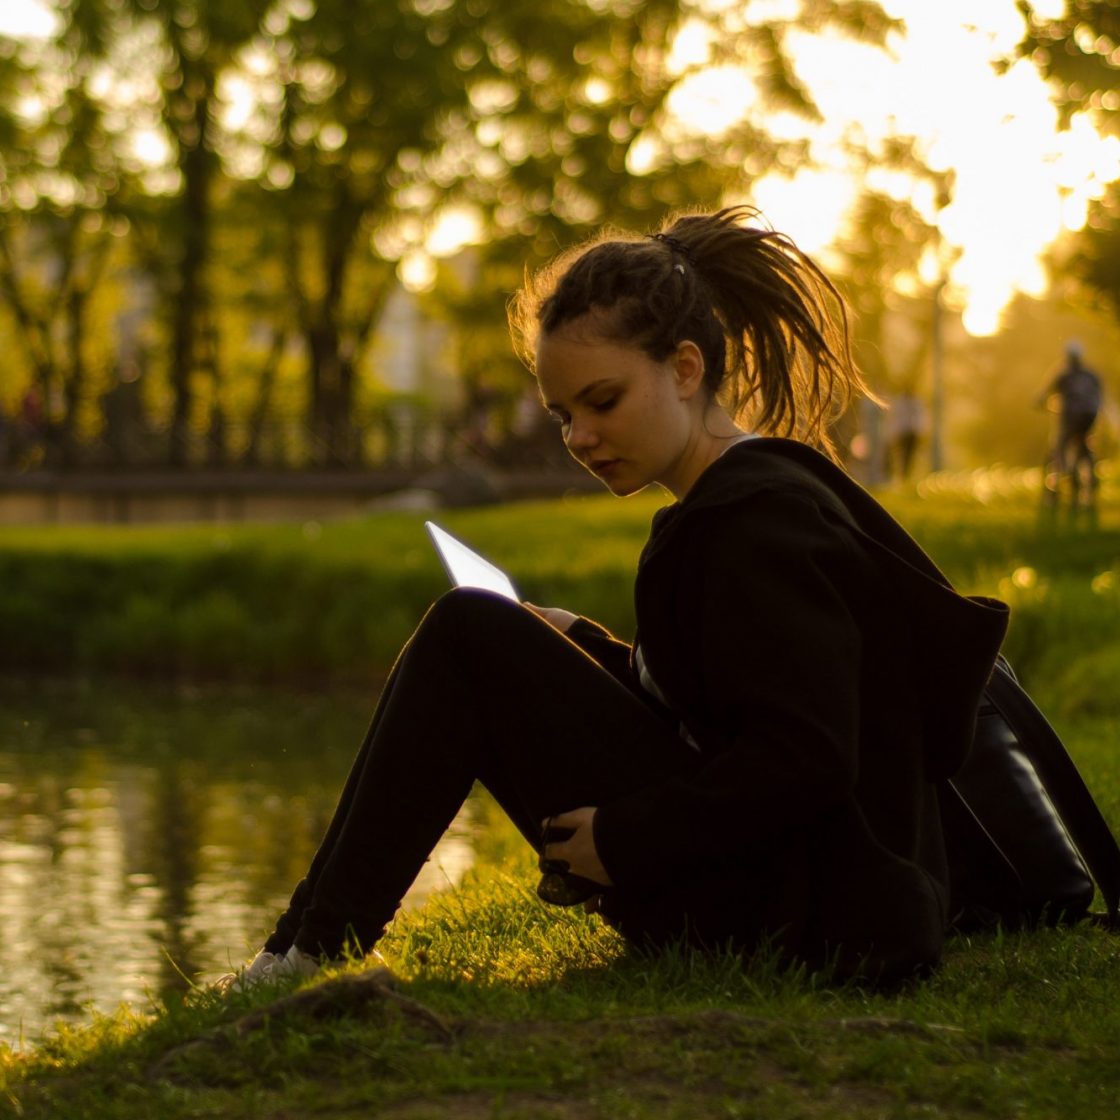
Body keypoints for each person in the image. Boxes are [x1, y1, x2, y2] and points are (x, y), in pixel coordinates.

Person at [218, 206, 1008, 992]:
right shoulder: (743, 497)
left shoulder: (755, 521)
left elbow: (810, 758)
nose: (580, 438)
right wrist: (589, 649)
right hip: (784, 889)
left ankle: (310, 948)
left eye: (603, 401)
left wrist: (627, 838)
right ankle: (303, 943)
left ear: (686, 369)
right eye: (564, 415)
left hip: (809, 919)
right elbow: (736, 705)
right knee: (486, 634)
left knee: (467, 633)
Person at [1039, 341, 1102, 506]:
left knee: (1061, 443)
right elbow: (1099, 394)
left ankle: (1059, 479)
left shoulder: (1063, 373)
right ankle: (1090, 472)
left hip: (1070, 415)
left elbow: (1044, 394)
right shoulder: (1090, 374)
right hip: (1090, 415)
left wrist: (1039, 402)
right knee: (1084, 441)